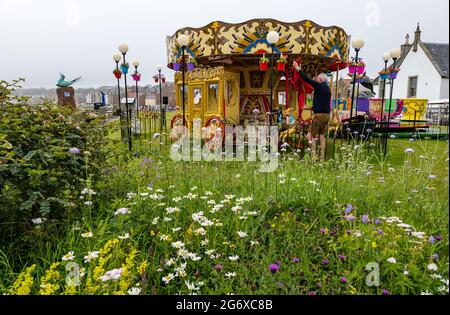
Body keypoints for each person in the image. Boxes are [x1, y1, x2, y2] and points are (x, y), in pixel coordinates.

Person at [293, 60, 331, 161]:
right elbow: (322, 103)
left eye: (317, 77)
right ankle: (322, 158)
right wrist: (309, 107)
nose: (316, 79)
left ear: (321, 79)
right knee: (322, 136)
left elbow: (306, 79)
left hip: (319, 116)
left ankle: (314, 157)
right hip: (326, 115)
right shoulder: (327, 88)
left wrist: (297, 68)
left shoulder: (319, 85)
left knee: (310, 135)